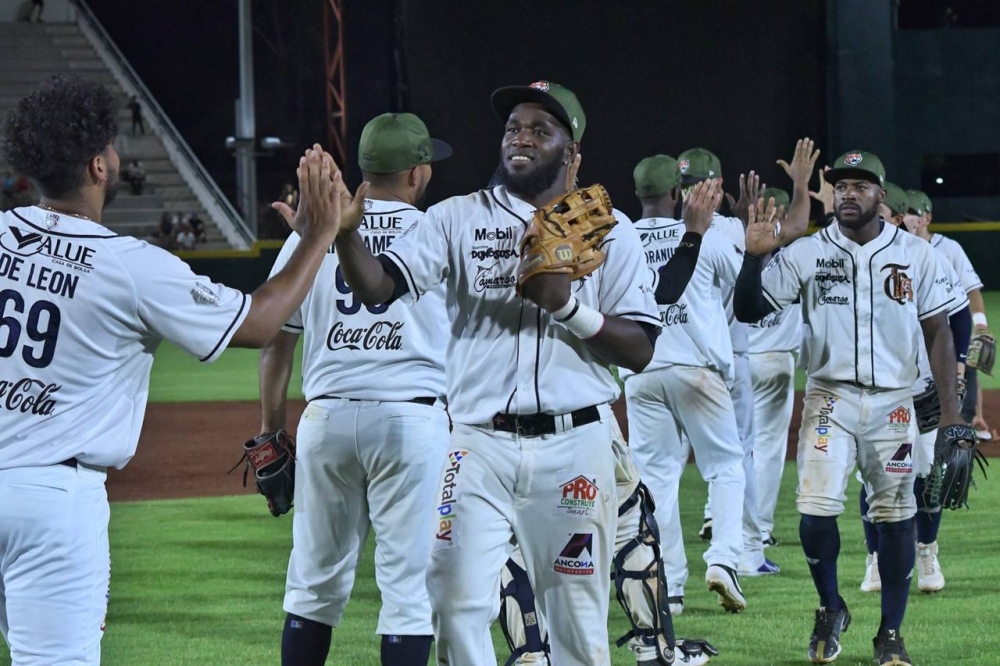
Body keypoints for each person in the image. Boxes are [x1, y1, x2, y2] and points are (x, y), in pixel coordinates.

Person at [0, 74, 355, 665]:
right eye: (111, 148)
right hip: (53, 501)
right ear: (97, 167)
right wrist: (317, 235)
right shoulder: (130, 266)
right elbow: (260, 323)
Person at [335, 80, 660, 665]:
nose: (522, 138)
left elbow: (639, 349)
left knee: (577, 621)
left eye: (541, 129)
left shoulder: (610, 229)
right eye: (513, 127)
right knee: (453, 600)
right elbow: (380, 287)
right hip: (477, 444)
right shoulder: (455, 219)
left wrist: (567, 307)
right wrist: (343, 233)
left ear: (573, 151)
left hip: (575, 444)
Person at [735, 150, 962, 666]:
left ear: (882, 196)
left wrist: (950, 418)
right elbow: (749, 310)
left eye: (860, 186)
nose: (848, 194)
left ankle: (890, 632)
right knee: (815, 512)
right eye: (840, 187)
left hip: (895, 404)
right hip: (828, 398)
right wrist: (754, 257)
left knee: (897, 517)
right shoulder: (809, 252)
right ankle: (831, 607)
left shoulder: (919, 255)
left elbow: (939, 333)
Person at [262, 112, 451, 666]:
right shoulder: (437, 232)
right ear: (417, 174)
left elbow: (276, 338)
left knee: (312, 588)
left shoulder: (315, 232)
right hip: (412, 423)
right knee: (408, 594)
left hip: (327, 421)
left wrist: (271, 429)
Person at [623, 154, 749, 616]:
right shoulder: (704, 238)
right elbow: (748, 291)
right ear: (677, 194)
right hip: (697, 369)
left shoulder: (620, 240)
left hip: (641, 372)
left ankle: (669, 586)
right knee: (725, 467)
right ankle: (723, 561)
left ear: (638, 194)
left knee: (656, 480)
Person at [857, 186, 972, 597]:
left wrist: (955, 371)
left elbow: (957, 319)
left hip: (921, 390)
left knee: (930, 476)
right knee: (873, 479)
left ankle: (927, 552)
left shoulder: (926, 258)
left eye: (892, 215)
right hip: (873, 393)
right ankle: (874, 560)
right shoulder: (851, 258)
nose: (888, 221)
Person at [676, 146, 778, 577]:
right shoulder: (735, 232)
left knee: (658, 470)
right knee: (736, 461)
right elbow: (758, 288)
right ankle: (748, 554)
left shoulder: (659, 231)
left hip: (664, 361)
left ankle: (659, 568)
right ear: (717, 186)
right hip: (724, 363)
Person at [907, 189, 992, 438]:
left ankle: (971, 422)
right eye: (906, 212)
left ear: (926, 219)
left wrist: (980, 325)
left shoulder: (949, 248)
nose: (910, 218)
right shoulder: (897, 248)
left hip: (949, 332)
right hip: (913, 340)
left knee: (963, 372)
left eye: (915, 212)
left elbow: (972, 289)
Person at [746, 187, 802, 549]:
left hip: (737, 362)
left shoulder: (738, 247)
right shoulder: (799, 254)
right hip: (776, 361)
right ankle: (759, 530)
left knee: (733, 448)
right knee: (766, 448)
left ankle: (714, 516)